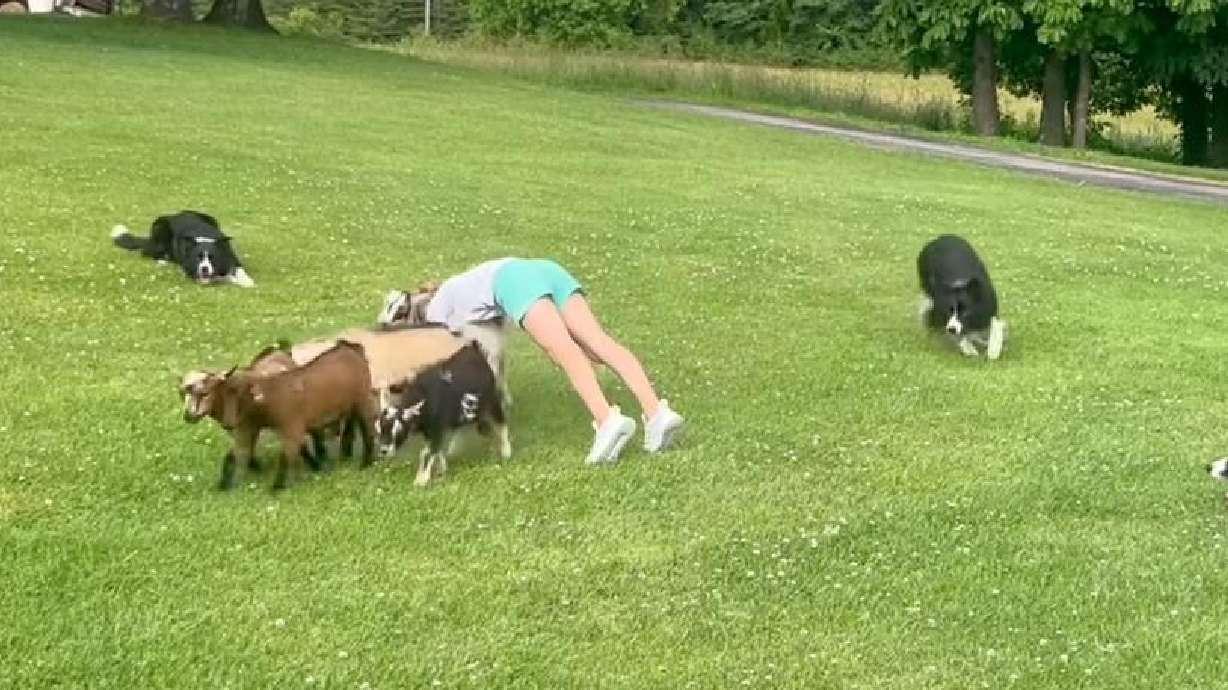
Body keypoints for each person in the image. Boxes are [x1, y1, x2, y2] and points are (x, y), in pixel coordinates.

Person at [422, 257, 684, 464]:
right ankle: (657, 413)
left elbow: (435, 357)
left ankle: (607, 420)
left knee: (563, 350)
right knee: (599, 343)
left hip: (515, 279)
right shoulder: (467, 288)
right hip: (546, 269)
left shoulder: (436, 309)